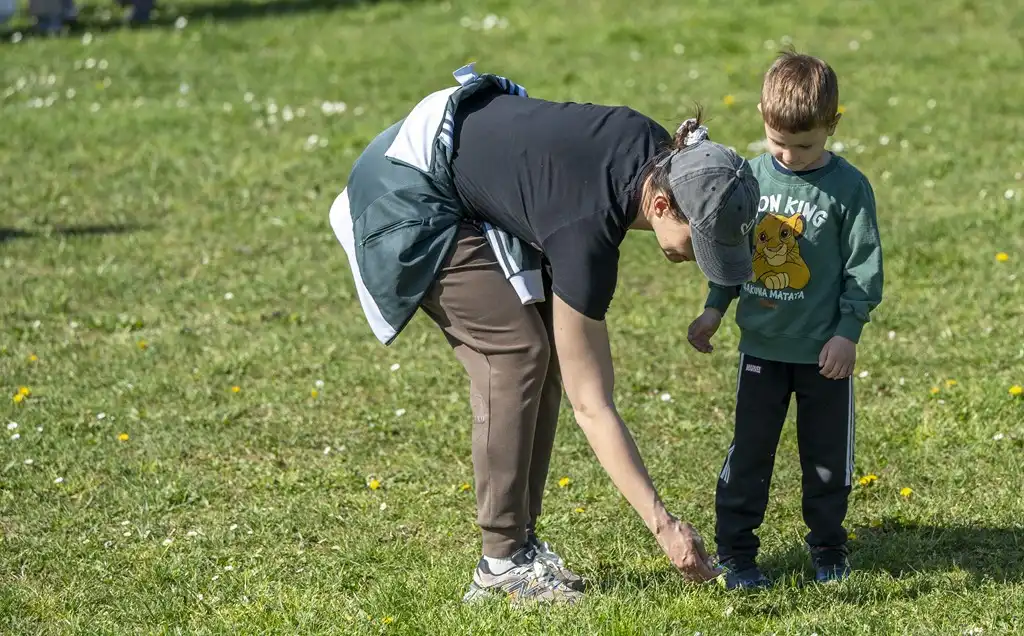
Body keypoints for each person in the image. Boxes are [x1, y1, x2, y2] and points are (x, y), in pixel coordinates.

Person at [329, 64, 760, 603]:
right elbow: (593, 404)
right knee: (515, 352)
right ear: (659, 205)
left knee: (545, 353)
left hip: (455, 157)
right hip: (403, 186)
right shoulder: (587, 233)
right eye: (700, 245)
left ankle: (521, 547)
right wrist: (663, 524)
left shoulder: (660, 154)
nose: (701, 261)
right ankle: (501, 564)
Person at [687, 51, 884, 589]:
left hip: (824, 357)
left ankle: (828, 547)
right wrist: (714, 308)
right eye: (780, 143)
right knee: (749, 455)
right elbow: (731, 255)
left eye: (806, 145)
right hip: (761, 351)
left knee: (825, 461)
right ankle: (737, 554)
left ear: (833, 126)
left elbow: (863, 268)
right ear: (761, 117)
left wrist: (848, 332)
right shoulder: (746, 180)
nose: (792, 156)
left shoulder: (849, 189)